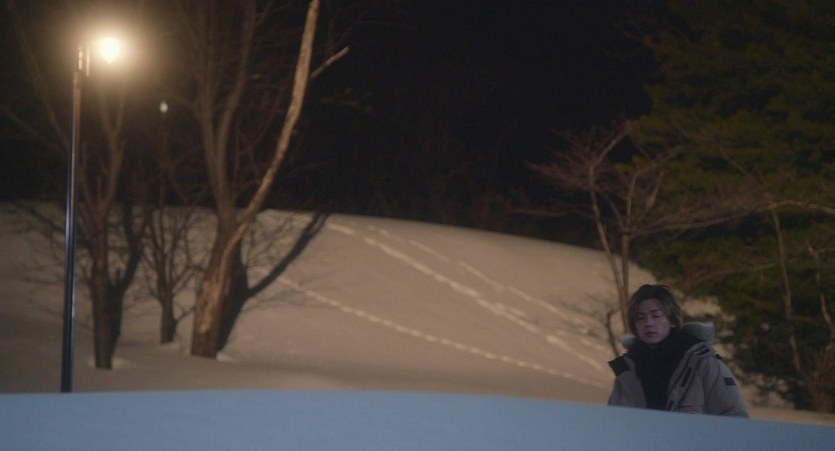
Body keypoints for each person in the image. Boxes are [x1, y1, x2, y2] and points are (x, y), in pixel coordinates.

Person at [607, 284, 749, 417]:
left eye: (656, 316)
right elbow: (613, 423)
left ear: (673, 320)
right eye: (641, 318)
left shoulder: (703, 363)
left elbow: (735, 419)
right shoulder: (627, 372)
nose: (648, 323)